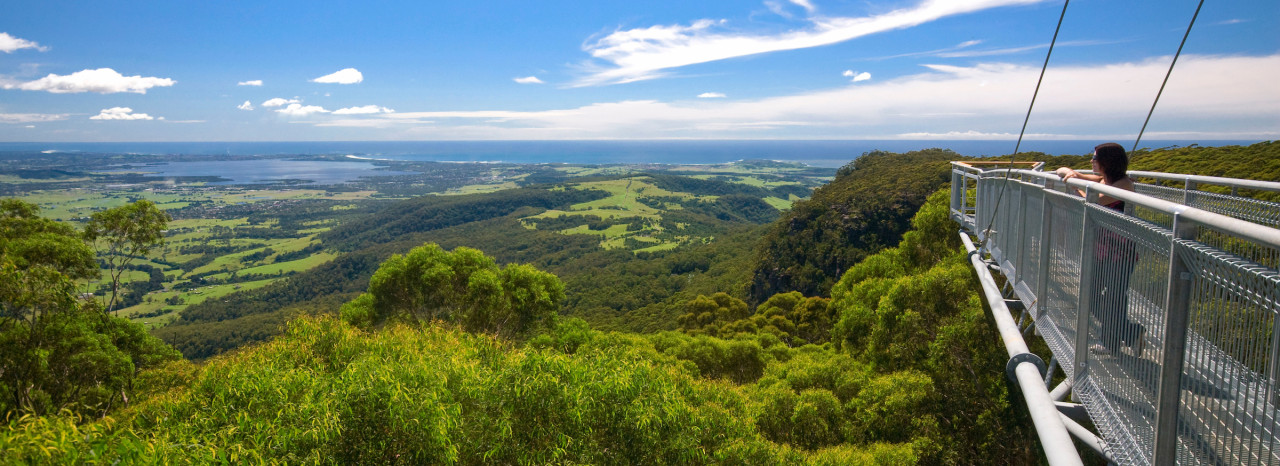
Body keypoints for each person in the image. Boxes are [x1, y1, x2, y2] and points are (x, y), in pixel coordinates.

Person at [1056, 143, 1143, 356]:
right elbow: (1064, 171)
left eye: (1095, 158)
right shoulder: (1106, 181)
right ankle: (1130, 332)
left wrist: (1074, 187)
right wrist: (1070, 174)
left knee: (1114, 296)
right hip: (1102, 249)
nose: (1091, 161)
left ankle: (1111, 342)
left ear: (1108, 161)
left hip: (1121, 252)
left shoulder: (1123, 185)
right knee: (1093, 295)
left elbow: (1093, 202)